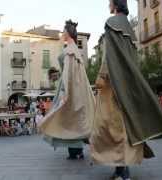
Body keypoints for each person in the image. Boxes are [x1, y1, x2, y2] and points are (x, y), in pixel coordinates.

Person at [90, 1, 162, 179]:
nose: (108, 5)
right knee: (124, 126)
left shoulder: (111, 23)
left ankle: (123, 170)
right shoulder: (129, 28)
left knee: (112, 127)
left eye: (109, 2)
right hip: (126, 84)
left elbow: (109, 54)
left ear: (115, 4)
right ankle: (119, 169)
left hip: (113, 86)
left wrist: (102, 75)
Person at [39, 20, 95, 160]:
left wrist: (66, 93)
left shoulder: (70, 51)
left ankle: (76, 150)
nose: (62, 34)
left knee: (68, 119)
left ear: (68, 33)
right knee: (72, 120)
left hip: (69, 91)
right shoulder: (74, 50)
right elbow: (71, 74)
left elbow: (69, 74)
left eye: (64, 31)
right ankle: (75, 150)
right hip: (75, 90)